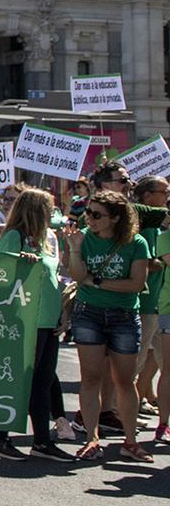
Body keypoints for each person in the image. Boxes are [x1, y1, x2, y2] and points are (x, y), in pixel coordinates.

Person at [62, 188, 153, 463]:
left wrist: (98, 282)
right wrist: (76, 250)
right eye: (88, 212)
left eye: (96, 214)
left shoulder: (136, 243)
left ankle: (130, 441)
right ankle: (91, 438)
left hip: (123, 316)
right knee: (90, 378)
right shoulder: (85, 239)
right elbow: (77, 276)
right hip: (89, 313)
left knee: (124, 380)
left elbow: (135, 285)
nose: (88, 218)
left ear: (115, 218)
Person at [0, 186, 68, 461]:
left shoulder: (47, 239)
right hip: (24, 321)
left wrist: (62, 314)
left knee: (43, 382)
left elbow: (55, 279)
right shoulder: (14, 236)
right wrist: (18, 263)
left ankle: (42, 441)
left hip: (48, 321)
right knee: (18, 381)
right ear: (35, 210)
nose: (53, 213)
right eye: (49, 208)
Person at [133, 175, 170, 441]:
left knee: (155, 362)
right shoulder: (148, 227)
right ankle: (125, 411)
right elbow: (149, 261)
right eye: (163, 191)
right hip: (149, 302)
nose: (167, 195)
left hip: (158, 303)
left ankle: (143, 399)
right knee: (137, 361)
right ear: (147, 196)